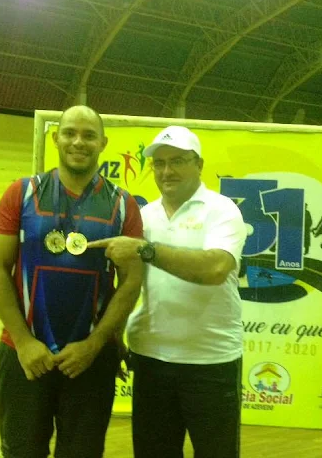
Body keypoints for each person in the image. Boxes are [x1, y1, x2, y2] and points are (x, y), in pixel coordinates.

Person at [0, 105, 144, 458]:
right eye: (70, 133)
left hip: (90, 359)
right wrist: (24, 341)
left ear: (103, 143)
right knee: (21, 452)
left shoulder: (123, 205)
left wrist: (95, 344)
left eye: (89, 135)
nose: (78, 142)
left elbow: (132, 282)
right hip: (25, 355)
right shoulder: (21, 193)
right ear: (55, 138)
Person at [89, 125, 247, 458]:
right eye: (159, 163)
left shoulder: (222, 210)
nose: (166, 171)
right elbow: (130, 284)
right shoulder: (144, 216)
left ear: (199, 165)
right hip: (151, 360)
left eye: (177, 161)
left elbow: (216, 268)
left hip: (211, 363)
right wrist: (115, 335)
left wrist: (145, 249)